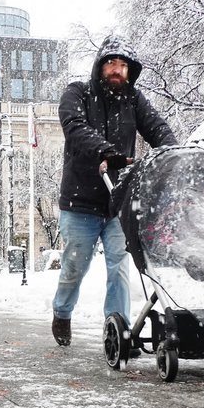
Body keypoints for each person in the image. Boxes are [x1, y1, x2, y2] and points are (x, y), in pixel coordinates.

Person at [51, 35, 178, 346]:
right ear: (100, 66)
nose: (118, 71)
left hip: (119, 199)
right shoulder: (77, 93)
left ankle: (117, 330)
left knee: (119, 265)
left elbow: (157, 127)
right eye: (112, 64)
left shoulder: (134, 99)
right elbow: (74, 126)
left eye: (123, 66)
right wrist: (105, 151)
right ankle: (62, 311)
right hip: (80, 201)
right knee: (74, 267)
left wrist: (173, 153)